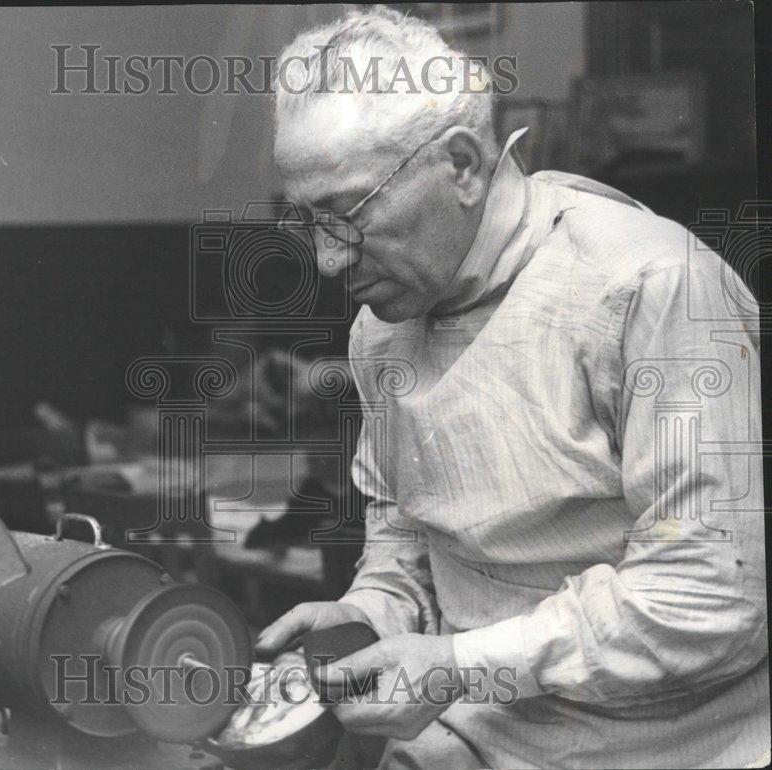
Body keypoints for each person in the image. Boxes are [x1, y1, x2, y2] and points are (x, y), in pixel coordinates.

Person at [255, 6, 767, 768]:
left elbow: (711, 595)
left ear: (462, 164)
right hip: (472, 735)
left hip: (670, 748)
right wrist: (368, 611)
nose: (329, 263)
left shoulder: (650, 287)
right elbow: (409, 547)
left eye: (347, 215)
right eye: (305, 222)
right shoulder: (383, 325)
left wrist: (462, 665)